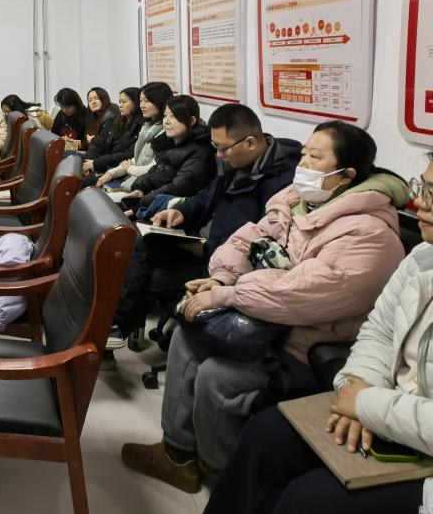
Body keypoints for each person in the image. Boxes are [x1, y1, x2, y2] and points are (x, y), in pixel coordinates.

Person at [122, 121, 408, 491]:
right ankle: (177, 454)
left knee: (216, 376)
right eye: (303, 154)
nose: (302, 164)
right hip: (263, 322)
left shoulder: (369, 235)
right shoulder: (296, 201)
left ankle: (222, 476)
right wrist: (221, 278)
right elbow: (248, 240)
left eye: (315, 157)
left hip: (304, 345)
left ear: (346, 175)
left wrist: (229, 294)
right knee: (185, 339)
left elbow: (297, 292)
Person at [202, 158, 433, 514]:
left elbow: (301, 291)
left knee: (309, 501)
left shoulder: (368, 233)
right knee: (264, 436)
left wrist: (366, 405)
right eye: (424, 187)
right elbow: (379, 330)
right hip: (378, 404)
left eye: (432, 193)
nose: (421, 203)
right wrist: (359, 386)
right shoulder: (422, 256)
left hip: (408, 433)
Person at [106, 103, 302, 350]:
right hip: (201, 242)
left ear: (250, 143)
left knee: (152, 279)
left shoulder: (282, 184)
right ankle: (115, 326)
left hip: (226, 264)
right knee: (139, 241)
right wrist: (181, 211)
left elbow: (260, 243)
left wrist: (205, 248)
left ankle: (118, 329)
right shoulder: (232, 161)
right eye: (215, 147)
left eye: (222, 149)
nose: (218, 155)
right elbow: (206, 196)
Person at [116, 94, 215, 210]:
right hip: (150, 202)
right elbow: (156, 174)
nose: (166, 122)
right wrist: (141, 189)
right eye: (165, 115)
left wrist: (138, 206)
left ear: (192, 121)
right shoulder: (170, 142)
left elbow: (177, 188)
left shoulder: (200, 152)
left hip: (170, 210)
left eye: (173, 116)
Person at [96, 81, 173, 191]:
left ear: (160, 101)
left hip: (144, 185)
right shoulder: (146, 126)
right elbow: (137, 159)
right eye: (140, 101)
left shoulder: (167, 132)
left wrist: (129, 168)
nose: (142, 105)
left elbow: (153, 168)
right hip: (132, 178)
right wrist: (111, 172)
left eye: (147, 101)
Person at [81, 87, 142, 184]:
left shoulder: (140, 125)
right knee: (76, 167)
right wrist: (87, 163)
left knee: (84, 182)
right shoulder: (115, 120)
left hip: (119, 170)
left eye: (124, 102)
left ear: (136, 103)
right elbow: (98, 144)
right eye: (120, 102)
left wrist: (96, 163)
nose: (120, 105)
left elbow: (127, 154)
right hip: (104, 165)